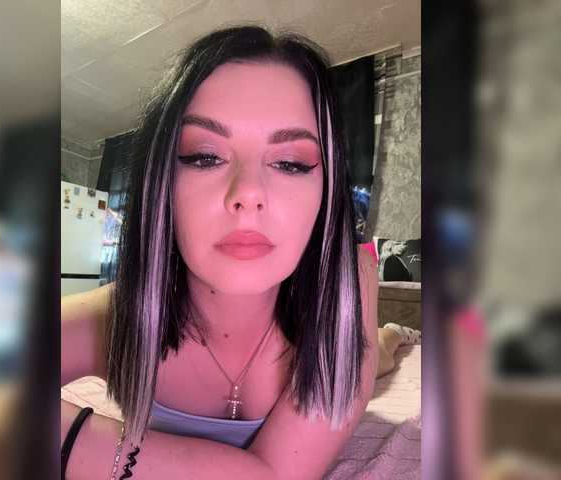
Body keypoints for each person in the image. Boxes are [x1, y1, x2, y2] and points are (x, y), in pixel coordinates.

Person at [61, 25, 419, 480]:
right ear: (160, 185)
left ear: (326, 191)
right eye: (204, 156)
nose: (248, 193)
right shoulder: (117, 317)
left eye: (291, 162)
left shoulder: (349, 283)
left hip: (360, 325)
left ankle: (391, 335)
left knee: (381, 355)